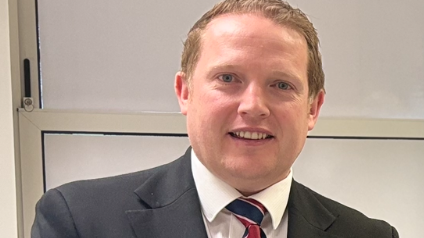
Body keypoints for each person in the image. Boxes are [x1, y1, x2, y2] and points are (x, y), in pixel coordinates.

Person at [32, 0, 399, 237]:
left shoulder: (369, 236)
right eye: (228, 79)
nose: (254, 106)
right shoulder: (80, 220)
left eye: (281, 84)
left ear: (312, 109)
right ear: (185, 92)